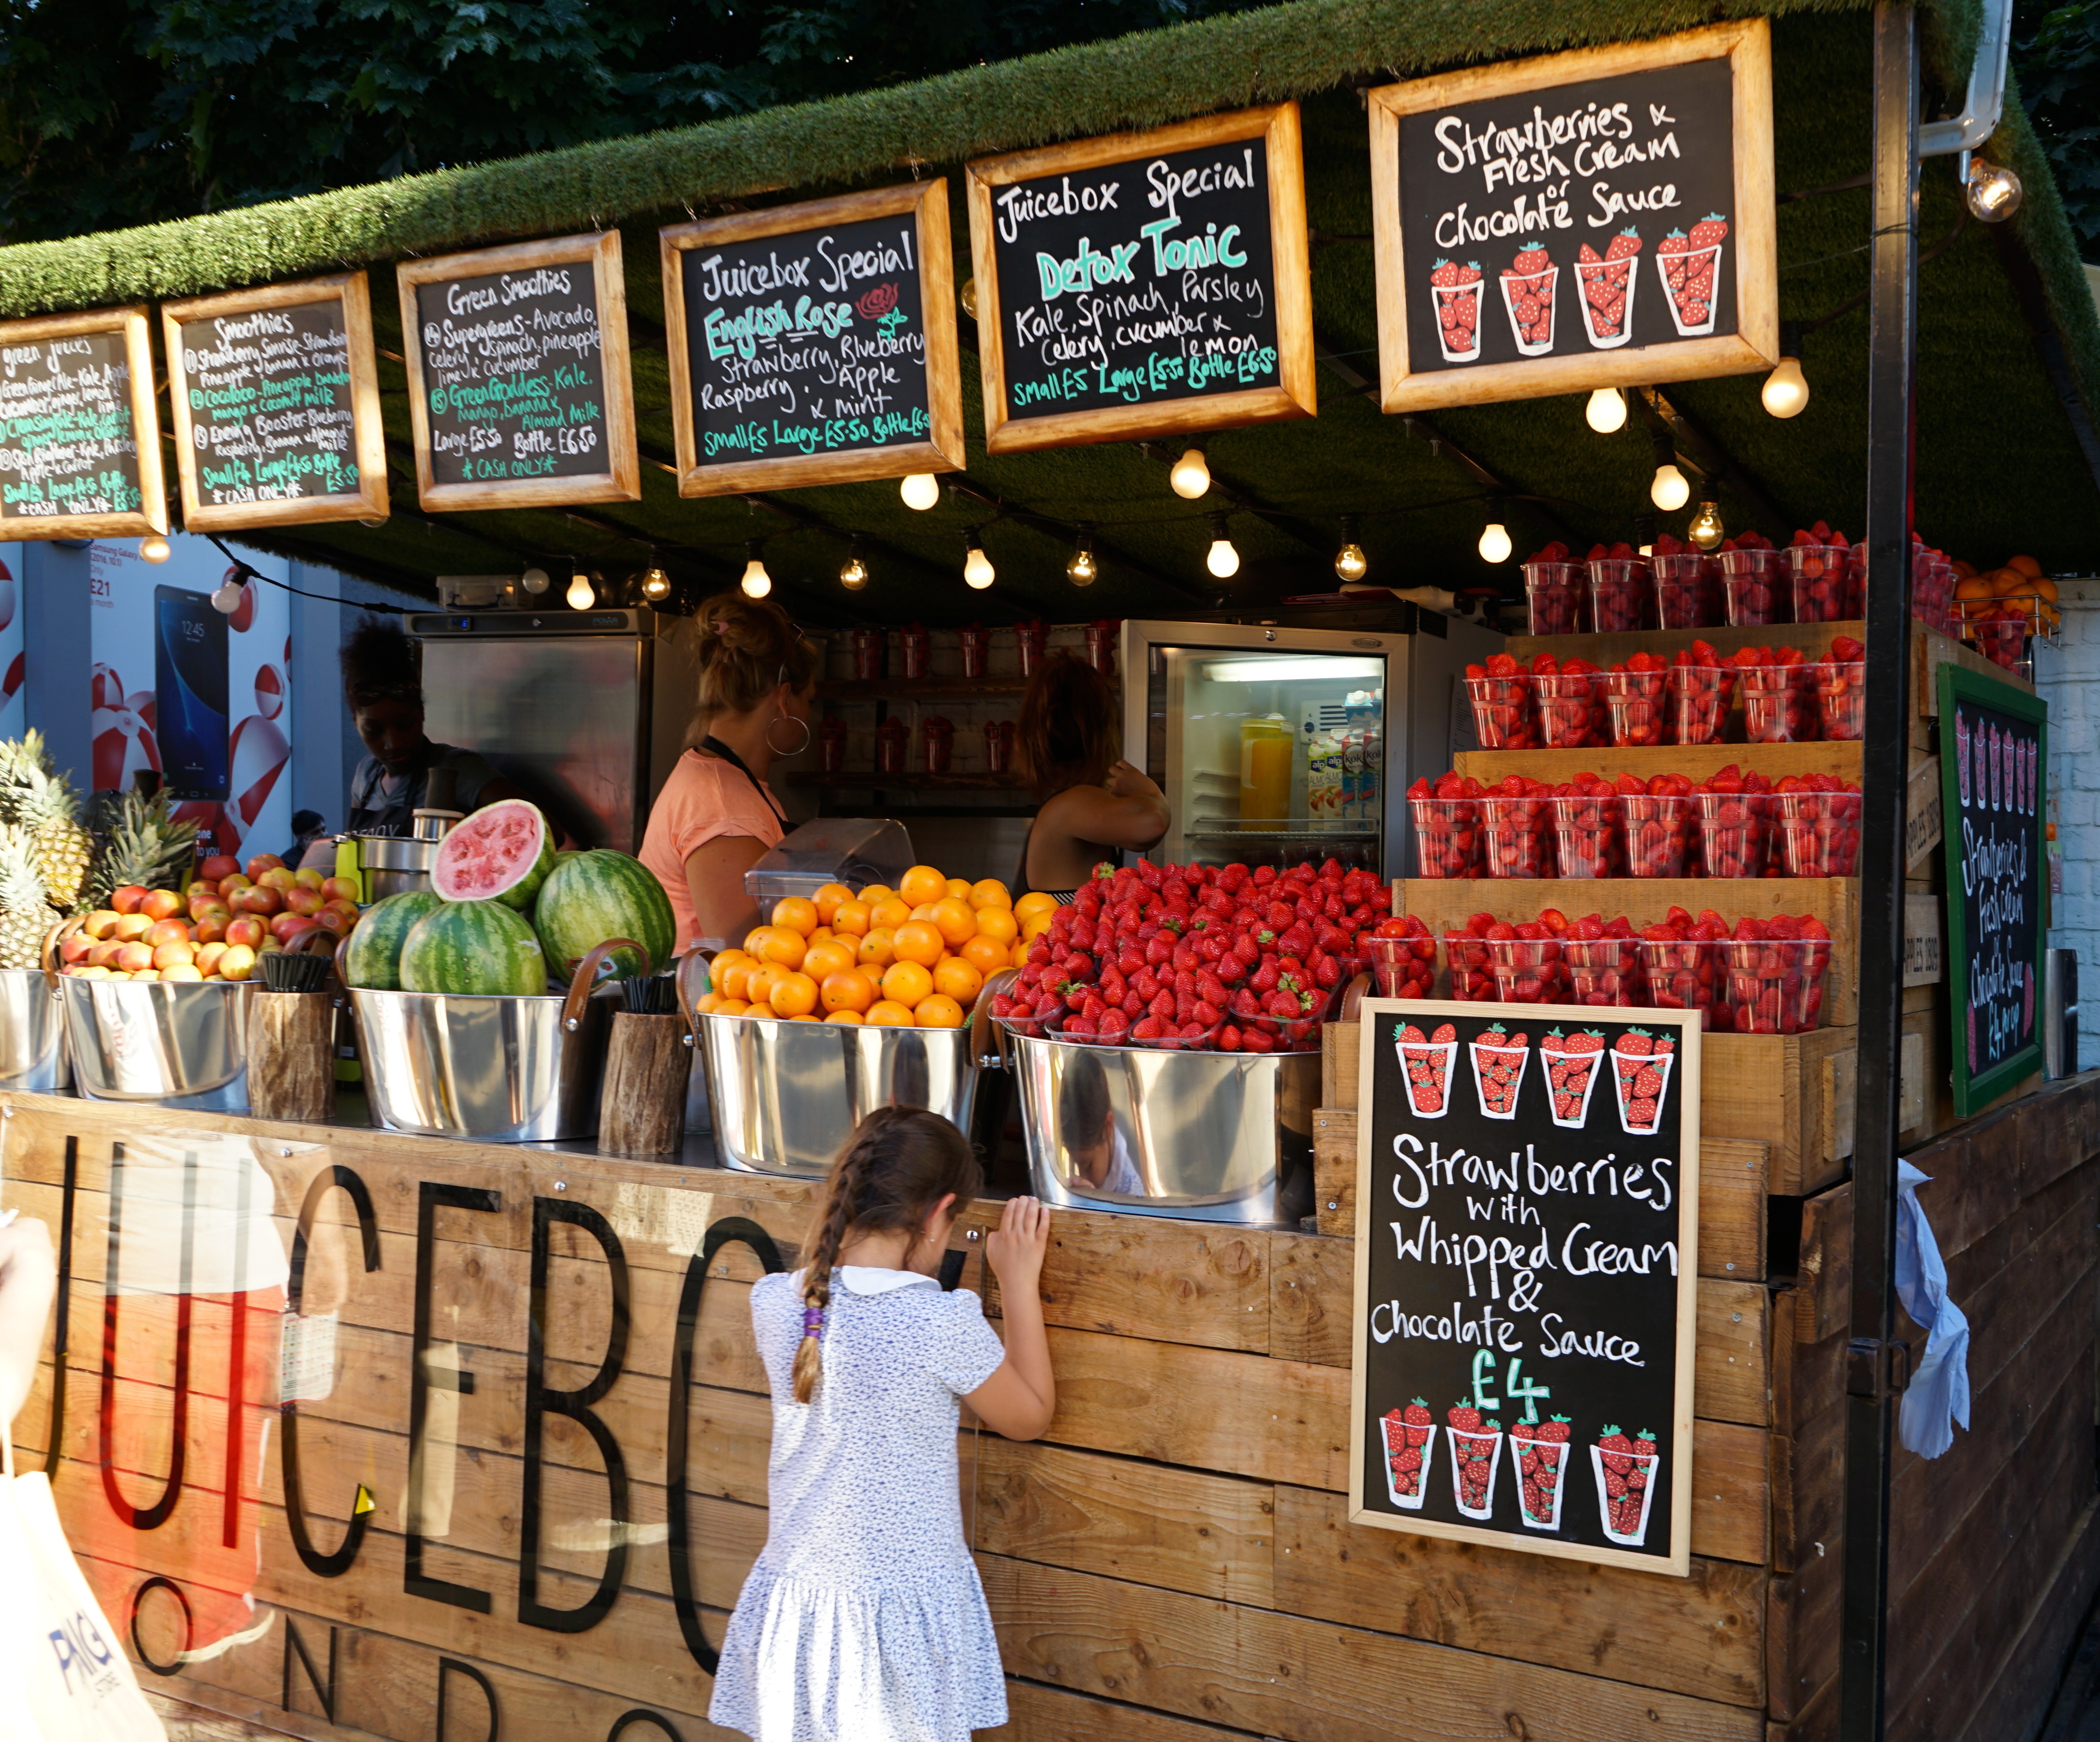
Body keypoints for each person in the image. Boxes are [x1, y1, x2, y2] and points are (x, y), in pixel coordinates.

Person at [709, 1108, 1054, 1742]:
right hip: (897, 1620)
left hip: (802, 1610)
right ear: (935, 1215)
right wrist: (1018, 1281)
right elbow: (1028, 1416)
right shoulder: (937, 1324)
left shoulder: (778, 1305)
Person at [639, 592, 818, 954]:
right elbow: (746, 958)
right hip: (694, 1004)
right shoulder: (725, 812)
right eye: (810, 701)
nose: (812, 714)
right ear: (784, 699)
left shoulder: (724, 780)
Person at [305, 619, 521, 865]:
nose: (392, 743)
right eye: (374, 730)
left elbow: (545, 834)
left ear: (422, 713)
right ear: (355, 723)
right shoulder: (365, 776)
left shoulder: (460, 770)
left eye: (405, 725)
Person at [1013, 649, 1169, 900]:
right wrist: (1149, 790)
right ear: (1106, 733)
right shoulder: (1074, 803)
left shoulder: (1062, 807)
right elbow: (1153, 824)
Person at [1057, 1050, 1145, 1196]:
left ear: (1109, 1126)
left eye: (1088, 1166)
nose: (1080, 1175)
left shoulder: (1131, 1188)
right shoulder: (1091, 1139)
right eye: (1073, 1164)